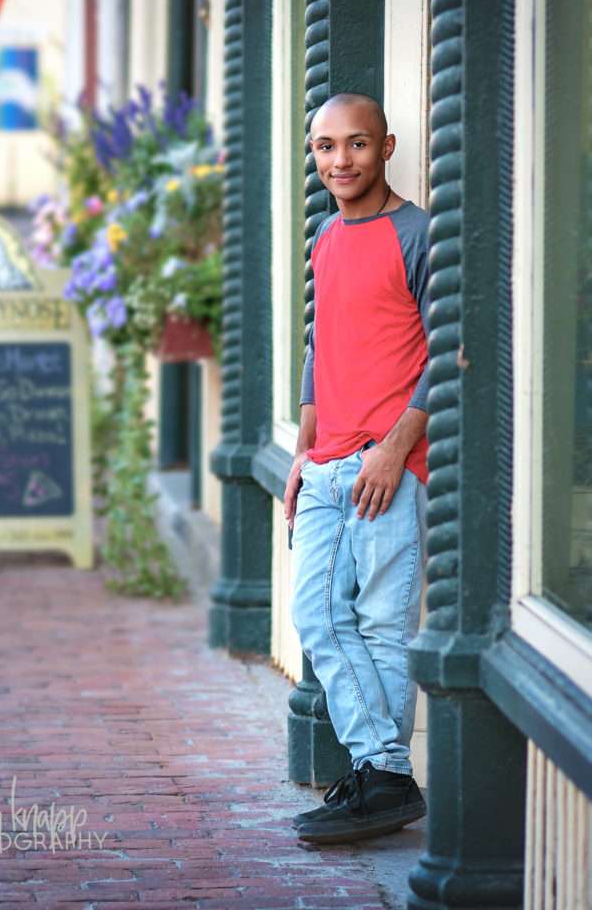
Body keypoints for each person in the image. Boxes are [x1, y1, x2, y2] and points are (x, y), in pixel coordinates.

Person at [284, 92, 429, 844]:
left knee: (379, 627)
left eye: (357, 145)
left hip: (387, 469)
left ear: (388, 146)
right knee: (317, 615)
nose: (340, 161)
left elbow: (448, 354)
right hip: (328, 464)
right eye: (325, 147)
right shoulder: (324, 233)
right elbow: (320, 347)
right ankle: (386, 775)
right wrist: (303, 453)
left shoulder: (419, 234)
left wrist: (395, 448)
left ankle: (378, 781)